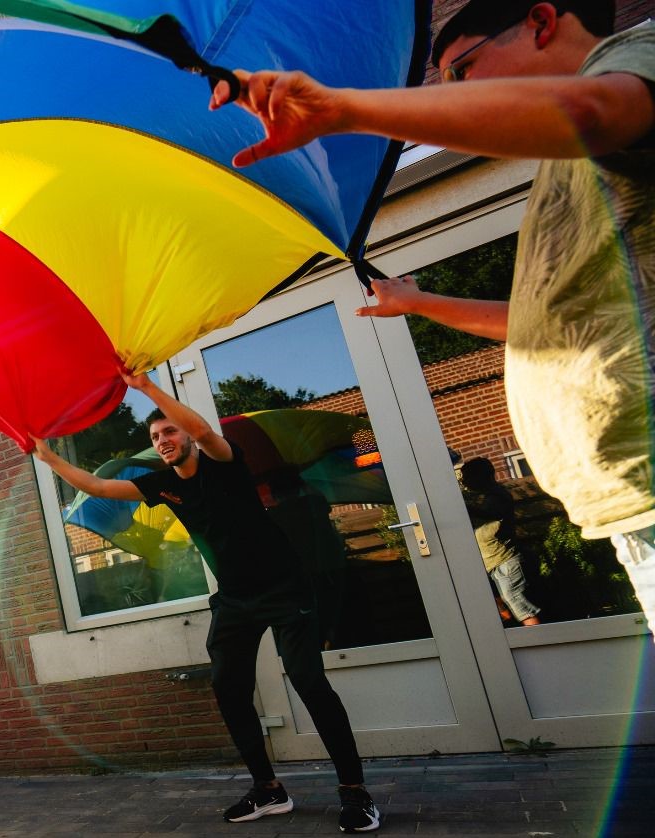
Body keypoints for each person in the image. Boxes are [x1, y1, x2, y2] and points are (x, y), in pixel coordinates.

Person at [208, 0, 655, 633]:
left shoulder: (631, 63)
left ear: (541, 22)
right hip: (629, 503)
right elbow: (542, 324)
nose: (457, 92)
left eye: (463, 69)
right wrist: (418, 303)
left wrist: (346, 110)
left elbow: (592, 110)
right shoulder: (575, 169)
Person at [34, 373, 379, 833]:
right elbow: (96, 488)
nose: (163, 440)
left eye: (168, 431)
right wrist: (48, 454)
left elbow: (202, 432)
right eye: (155, 436)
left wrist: (148, 390)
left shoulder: (224, 461)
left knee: (307, 680)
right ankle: (268, 789)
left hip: (284, 589)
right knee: (228, 688)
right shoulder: (162, 485)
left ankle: (355, 793)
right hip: (235, 600)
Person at [460, 457, 544, 626]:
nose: (464, 480)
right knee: (506, 603)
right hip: (493, 561)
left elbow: (492, 514)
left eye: (467, 476)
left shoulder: (497, 495)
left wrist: (463, 506)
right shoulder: (485, 496)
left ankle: (539, 640)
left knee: (518, 603)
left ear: (481, 476)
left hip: (505, 560)